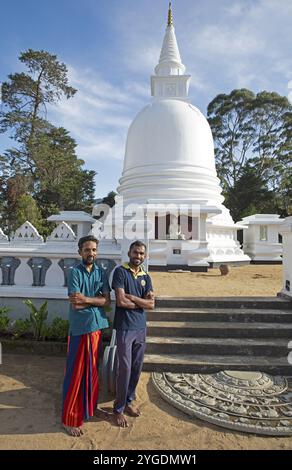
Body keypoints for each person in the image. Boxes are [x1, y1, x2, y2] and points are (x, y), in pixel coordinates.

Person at [62, 235, 111, 437]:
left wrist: (88, 299)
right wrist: (95, 300)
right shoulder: (74, 272)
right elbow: (76, 302)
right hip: (80, 328)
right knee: (76, 373)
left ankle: (90, 409)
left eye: (93, 250)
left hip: (96, 328)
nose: (90, 253)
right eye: (86, 250)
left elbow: (106, 301)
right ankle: (69, 417)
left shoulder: (101, 272)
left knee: (92, 371)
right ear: (80, 252)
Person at [112, 240, 155, 427]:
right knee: (125, 368)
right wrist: (141, 303)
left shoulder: (146, 276)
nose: (138, 257)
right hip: (124, 327)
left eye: (141, 254)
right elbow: (121, 302)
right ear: (129, 253)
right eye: (135, 253)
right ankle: (118, 408)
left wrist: (134, 298)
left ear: (144, 256)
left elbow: (151, 305)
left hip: (140, 328)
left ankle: (129, 400)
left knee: (136, 368)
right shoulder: (120, 272)